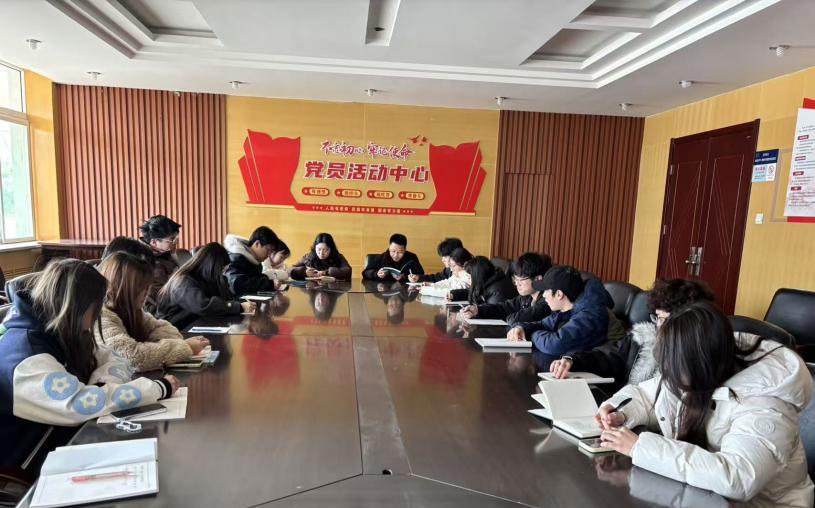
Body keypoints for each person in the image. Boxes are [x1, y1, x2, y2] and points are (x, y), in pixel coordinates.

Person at [598, 302, 814, 507]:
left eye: (676, 371)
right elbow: (648, 395)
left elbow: (737, 477)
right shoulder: (697, 365)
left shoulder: (766, 404)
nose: (671, 379)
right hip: (702, 496)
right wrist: (620, 412)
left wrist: (641, 448)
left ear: (700, 366)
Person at [0, 259, 179, 469]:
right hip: (30, 463)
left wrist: (101, 386)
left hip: (68, 440)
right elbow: (79, 404)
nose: (99, 314)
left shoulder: (59, 330)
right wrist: (157, 388)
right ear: (80, 306)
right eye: (97, 306)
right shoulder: (26, 356)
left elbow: (115, 358)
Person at [549, 279, 715, 393]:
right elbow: (606, 356)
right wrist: (572, 360)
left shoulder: (699, 360)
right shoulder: (642, 337)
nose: (659, 325)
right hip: (623, 413)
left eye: (663, 319)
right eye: (657, 317)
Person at [96, 252, 209, 372]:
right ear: (122, 286)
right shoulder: (101, 318)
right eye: (141, 287)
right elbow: (134, 358)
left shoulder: (135, 311)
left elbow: (164, 329)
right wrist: (186, 347)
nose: (147, 292)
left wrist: (158, 347)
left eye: (147, 286)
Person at [508, 265, 622, 356]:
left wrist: (532, 334)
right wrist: (522, 328)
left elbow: (555, 344)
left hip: (607, 375)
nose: (544, 295)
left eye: (546, 291)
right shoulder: (570, 306)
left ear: (559, 294)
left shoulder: (592, 314)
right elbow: (543, 324)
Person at [155, 243, 256, 330]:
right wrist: (238, 307)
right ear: (211, 266)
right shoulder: (183, 281)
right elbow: (203, 306)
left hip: (196, 324)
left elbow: (226, 299)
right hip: (175, 330)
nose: (223, 272)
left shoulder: (206, 278)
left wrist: (238, 304)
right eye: (222, 268)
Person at [460, 252, 551, 325]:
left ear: (538, 279)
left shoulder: (548, 300)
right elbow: (504, 308)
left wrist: (508, 318)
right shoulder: (526, 297)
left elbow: (516, 319)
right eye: (515, 279)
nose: (517, 284)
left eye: (521, 280)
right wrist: (478, 310)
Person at [138, 215, 183, 313]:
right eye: (172, 240)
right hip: (156, 311)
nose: (175, 243)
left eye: (176, 239)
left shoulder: (164, 254)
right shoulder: (149, 263)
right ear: (154, 242)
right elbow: (161, 297)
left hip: (170, 303)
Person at [224, 226, 281, 296]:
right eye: (268, 250)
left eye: (271, 252)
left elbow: (253, 279)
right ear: (257, 244)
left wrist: (266, 280)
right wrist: (269, 284)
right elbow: (237, 284)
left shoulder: (253, 261)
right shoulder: (236, 257)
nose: (269, 255)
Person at [449, 256, 516, 305]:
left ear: (477, 276)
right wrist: (454, 295)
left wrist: (475, 312)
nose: (468, 280)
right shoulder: (487, 281)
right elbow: (474, 292)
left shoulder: (497, 290)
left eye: (469, 278)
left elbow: (493, 314)